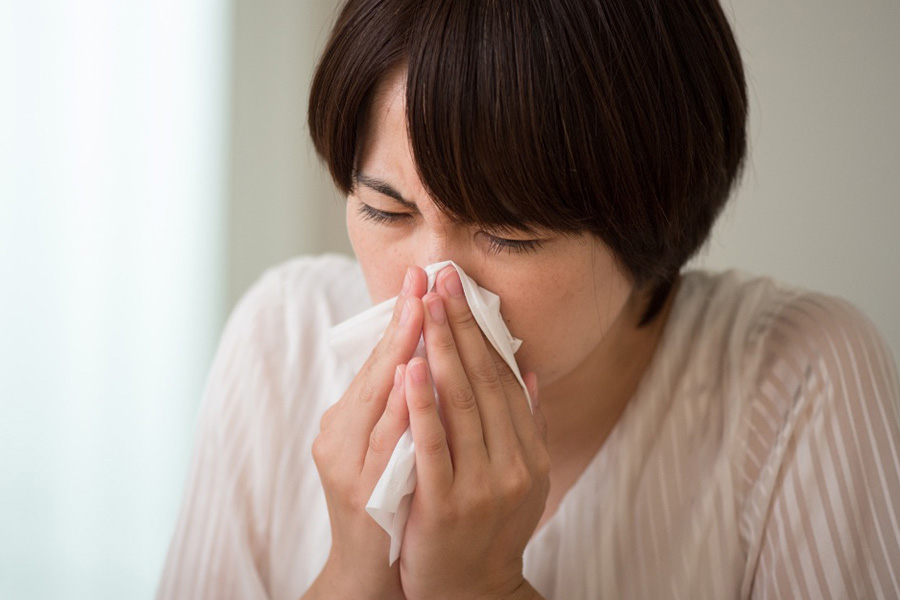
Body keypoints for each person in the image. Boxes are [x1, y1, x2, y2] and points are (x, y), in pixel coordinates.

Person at [157, 0, 900, 598]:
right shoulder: (281, 338)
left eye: (508, 234)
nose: (434, 285)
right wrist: (355, 574)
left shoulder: (799, 379)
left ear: (654, 226)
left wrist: (483, 588)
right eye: (387, 211)